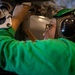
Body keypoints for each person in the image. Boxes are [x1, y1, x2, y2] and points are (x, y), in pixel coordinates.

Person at [0, 2, 75, 75]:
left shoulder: (66, 53)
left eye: (50, 26)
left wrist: (17, 18)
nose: (43, 33)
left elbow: (3, 50)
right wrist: (26, 30)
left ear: (67, 30)